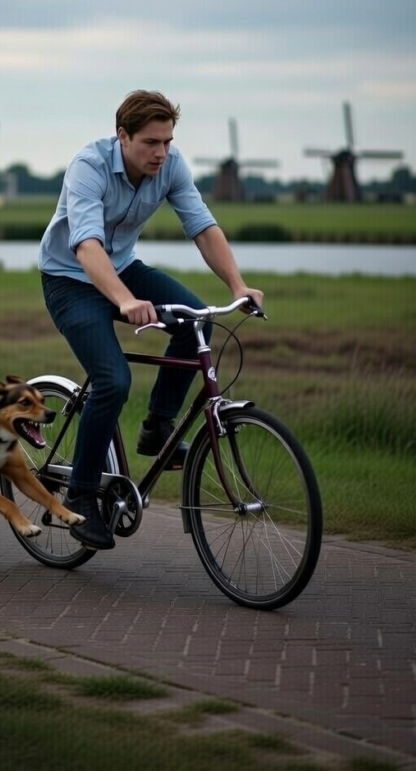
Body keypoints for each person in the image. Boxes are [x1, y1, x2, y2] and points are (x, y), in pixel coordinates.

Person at [38, 91, 264, 550]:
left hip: (123, 268)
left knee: (197, 323)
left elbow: (202, 226)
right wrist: (124, 300)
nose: (161, 152)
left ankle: (157, 426)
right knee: (113, 380)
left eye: (168, 141)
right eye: (150, 142)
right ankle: (81, 497)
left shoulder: (172, 166)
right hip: (69, 279)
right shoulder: (89, 165)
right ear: (122, 136)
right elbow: (85, 245)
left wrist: (237, 286)